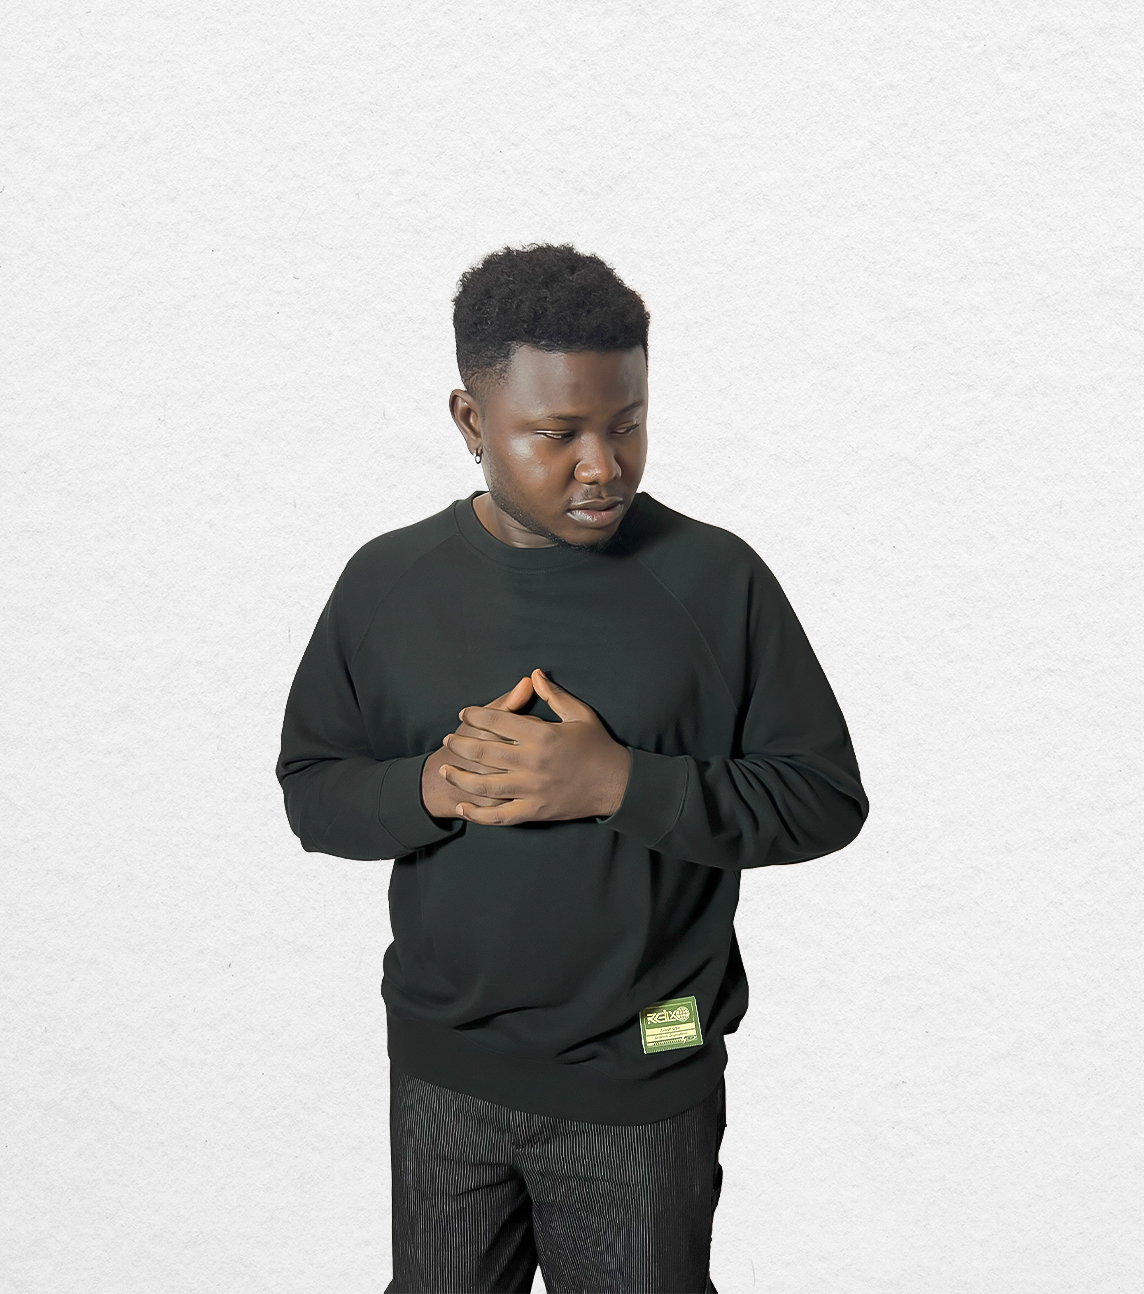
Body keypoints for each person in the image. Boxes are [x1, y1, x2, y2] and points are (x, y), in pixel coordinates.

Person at [275, 243, 869, 1293]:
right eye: (557, 434)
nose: (602, 465)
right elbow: (312, 787)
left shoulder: (714, 579)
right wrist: (430, 787)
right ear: (472, 422)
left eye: (626, 423)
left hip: (643, 1075)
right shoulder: (386, 582)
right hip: (442, 1073)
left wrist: (618, 783)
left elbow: (823, 799)